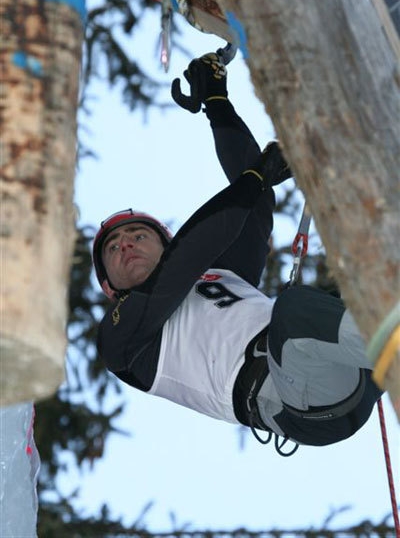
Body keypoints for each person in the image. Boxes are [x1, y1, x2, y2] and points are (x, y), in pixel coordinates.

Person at [93, 53, 382, 454]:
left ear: (165, 243)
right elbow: (190, 255)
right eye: (113, 247)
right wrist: (255, 179)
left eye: (139, 235)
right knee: (294, 310)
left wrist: (216, 101)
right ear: (109, 286)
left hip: (344, 370)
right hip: (294, 397)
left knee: (375, 275)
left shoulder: (221, 275)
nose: (126, 244)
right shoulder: (122, 340)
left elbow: (254, 200)